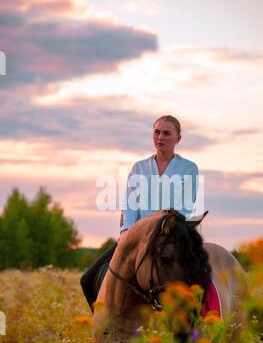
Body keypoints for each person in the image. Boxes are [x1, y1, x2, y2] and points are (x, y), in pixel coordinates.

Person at [80, 115, 215, 313]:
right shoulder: (139, 168)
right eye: (157, 132)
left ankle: (195, 326)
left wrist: (160, 226)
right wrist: (127, 229)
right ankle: (104, 327)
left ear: (178, 138)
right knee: (88, 279)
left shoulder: (189, 168)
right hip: (136, 236)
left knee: (197, 277)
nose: (160, 137)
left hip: (170, 236)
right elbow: (130, 203)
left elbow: (184, 208)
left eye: (167, 133)